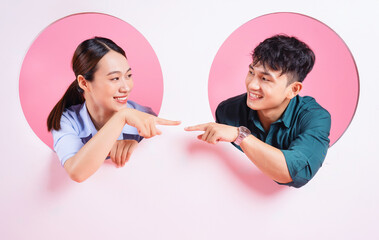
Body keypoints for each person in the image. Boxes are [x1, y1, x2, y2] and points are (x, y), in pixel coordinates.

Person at [185, 35, 331, 188]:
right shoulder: (227, 111)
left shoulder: (315, 117)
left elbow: (297, 173)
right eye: (251, 72)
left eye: (265, 79)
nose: (252, 85)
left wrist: (239, 135)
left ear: (293, 89)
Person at [47, 37, 180, 183]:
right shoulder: (66, 120)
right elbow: (77, 172)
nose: (126, 87)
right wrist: (121, 117)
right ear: (84, 83)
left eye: (128, 76)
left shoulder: (146, 115)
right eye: (115, 78)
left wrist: (141, 149)